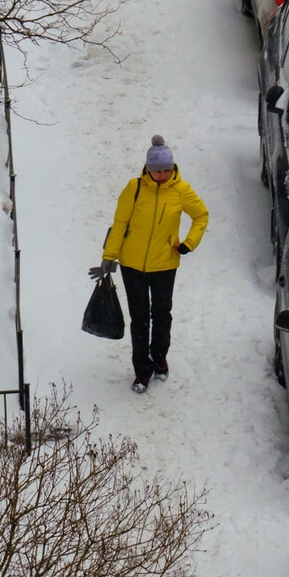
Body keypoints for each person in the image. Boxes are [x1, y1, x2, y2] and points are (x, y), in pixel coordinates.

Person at [91, 135, 209, 393]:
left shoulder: (182, 191)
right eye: (157, 170)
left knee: (162, 314)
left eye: (167, 169)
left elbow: (201, 216)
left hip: (165, 265)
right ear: (148, 168)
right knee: (139, 318)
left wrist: (189, 243)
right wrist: (109, 257)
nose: (163, 175)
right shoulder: (133, 189)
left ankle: (159, 357)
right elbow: (120, 223)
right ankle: (141, 371)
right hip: (132, 265)